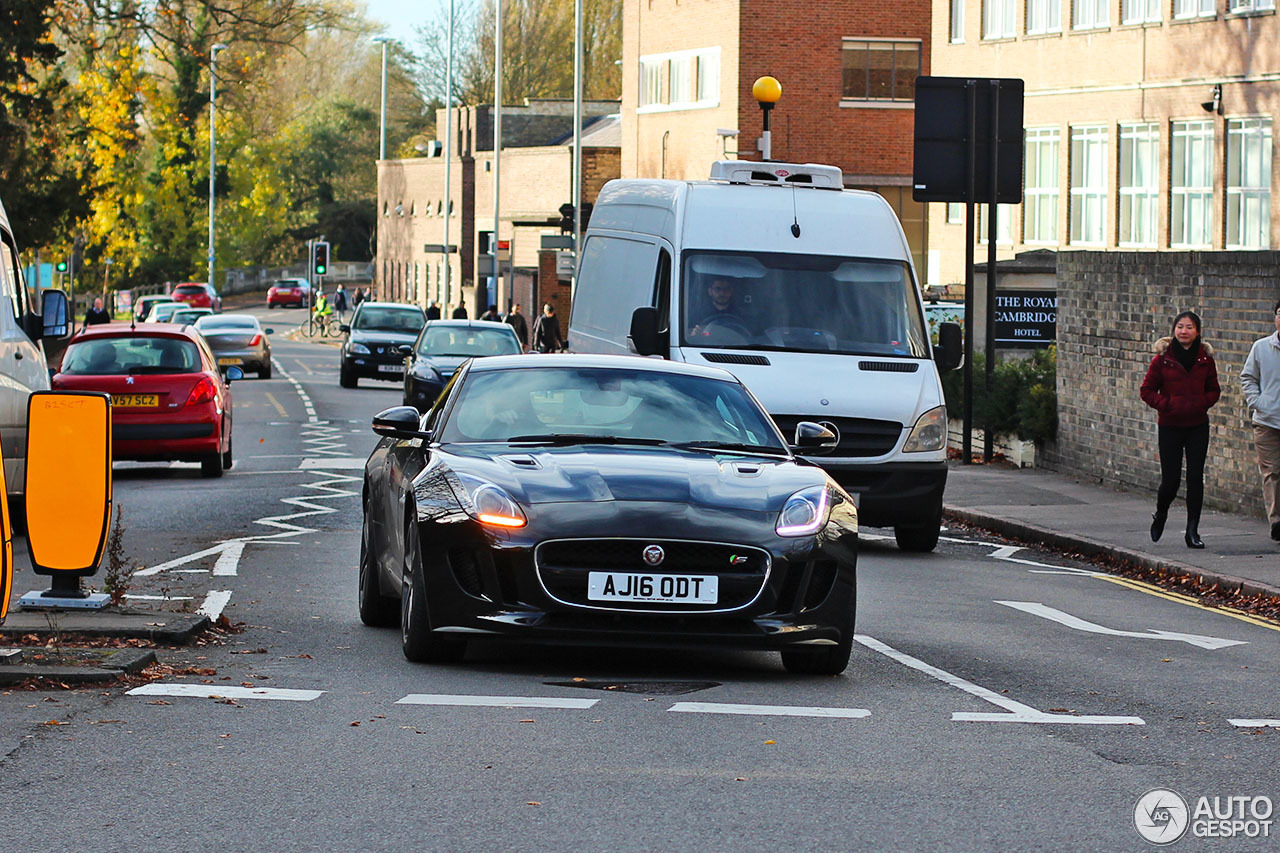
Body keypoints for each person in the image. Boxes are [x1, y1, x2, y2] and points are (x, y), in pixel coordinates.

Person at [1140, 311, 1221, 549]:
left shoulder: (1205, 359)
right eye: (1180, 327)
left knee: (1196, 477)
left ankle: (1192, 531)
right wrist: (1168, 405)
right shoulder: (1162, 360)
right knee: (1171, 481)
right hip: (1170, 426)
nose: (1184, 331)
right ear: (1174, 330)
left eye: (1189, 327)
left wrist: (1200, 403)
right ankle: (1161, 512)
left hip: (1197, 425)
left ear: (1197, 332)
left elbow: (1214, 390)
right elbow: (1146, 390)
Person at [1240, 299, 1280, 541]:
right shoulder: (1261, 347)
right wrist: (1259, 403)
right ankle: (1277, 522)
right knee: (1272, 473)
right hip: (1267, 423)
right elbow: (1248, 378)